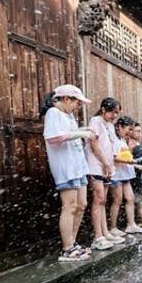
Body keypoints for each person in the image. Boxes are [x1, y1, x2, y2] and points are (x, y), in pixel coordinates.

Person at [42, 85, 94, 262]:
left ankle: (72, 242)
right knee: (69, 206)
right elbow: (53, 137)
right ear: (66, 99)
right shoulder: (53, 113)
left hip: (78, 166)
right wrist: (81, 133)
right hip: (66, 167)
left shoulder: (68, 115)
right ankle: (67, 248)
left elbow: (70, 133)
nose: (77, 107)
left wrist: (84, 130)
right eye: (76, 103)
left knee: (82, 204)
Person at [84, 97, 126, 250]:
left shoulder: (109, 125)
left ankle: (105, 232)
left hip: (106, 167)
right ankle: (97, 237)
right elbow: (94, 145)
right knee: (98, 199)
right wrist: (106, 164)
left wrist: (110, 166)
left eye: (116, 113)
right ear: (103, 110)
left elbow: (112, 147)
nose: (114, 116)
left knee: (103, 201)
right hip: (96, 166)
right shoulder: (95, 121)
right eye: (112, 112)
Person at [109, 116, 142, 236]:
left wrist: (133, 163)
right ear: (119, 127)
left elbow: (126, 155)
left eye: (131, 130)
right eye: (129, 129)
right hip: (116, 174)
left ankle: (131, 225)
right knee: (117, 200)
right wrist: (131, 162)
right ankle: (113, 227)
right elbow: (114, 157)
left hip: (125, 174)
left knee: (131, 198)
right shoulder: (114, 139)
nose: (130, 132)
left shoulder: (123, 140)